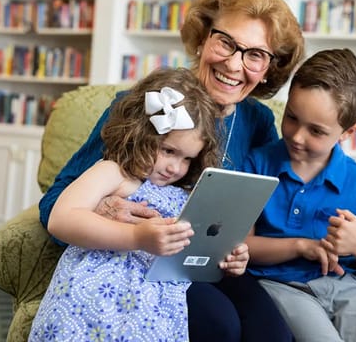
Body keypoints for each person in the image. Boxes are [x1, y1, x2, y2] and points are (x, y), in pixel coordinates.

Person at [37, 0, 304, 341]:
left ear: (269, 68)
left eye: (255, 54)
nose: (234, 63)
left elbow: (248, 211)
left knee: (272, 333)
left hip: (210, 264)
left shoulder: (257, 122)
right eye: (226, 42)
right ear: (204, 36)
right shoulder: (147, 105)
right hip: (143, 261)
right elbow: (56, 203)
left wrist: (237, 249)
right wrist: (109, 212)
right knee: (219, 323)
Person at [29, 67, 225, 341]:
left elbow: (190, 245)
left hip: (155, 308)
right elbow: (61, 218)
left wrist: (224, 253)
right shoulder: (114, 172)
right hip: (94, 302)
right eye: (168, 151)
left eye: (187, 159)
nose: (175, 168)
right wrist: (136, 236)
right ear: (140, 133)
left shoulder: (184, 192)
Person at [242, 49, 356, 342]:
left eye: (316, 131)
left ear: (348, 132)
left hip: (347, 288)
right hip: (280, 285)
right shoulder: (258, 164)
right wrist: (301, 246)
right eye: (291, 117)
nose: (296, 136)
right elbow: (243, 246)